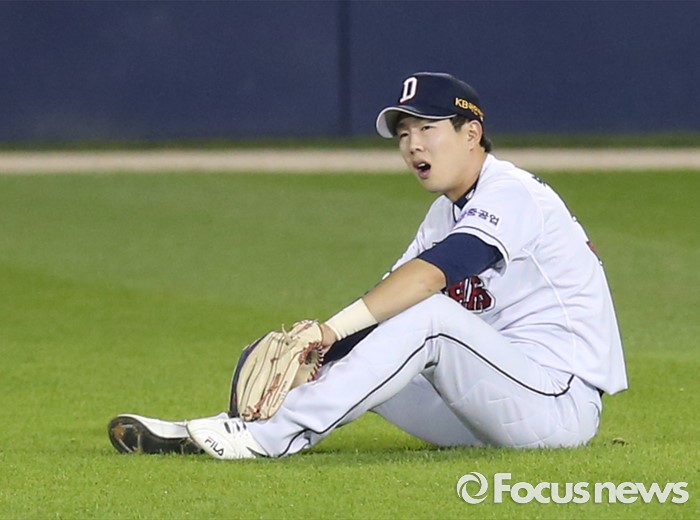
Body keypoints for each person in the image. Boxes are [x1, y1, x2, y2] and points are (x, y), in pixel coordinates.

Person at [108, 72, 627, 459]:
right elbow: (384, 311)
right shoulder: (443, 212)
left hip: (557, 405)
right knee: (358, 348)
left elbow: (433, 276)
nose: (413, 145)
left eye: (427, 128)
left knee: (430, 318)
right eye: (403, 134)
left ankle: (272, 439)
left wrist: (330, 330)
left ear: (472, 133)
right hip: (488, 408)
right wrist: (321, 349)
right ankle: (226, 428)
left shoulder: (512, 194)